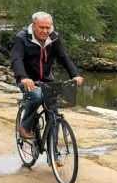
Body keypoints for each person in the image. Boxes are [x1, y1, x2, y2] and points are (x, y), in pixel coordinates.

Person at [10, 11, 83, 139]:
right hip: (27, 79)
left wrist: (75, 75)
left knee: (53, 111)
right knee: (37, 96)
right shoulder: (22, 37)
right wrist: (23, 77)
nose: (45, 31)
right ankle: (24, 127)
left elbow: (64, 57)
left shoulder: (54, 38)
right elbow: (17, 59)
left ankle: (53, 151)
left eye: (48, 27)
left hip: (47, 80)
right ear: (34, 25)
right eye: (41, 27)